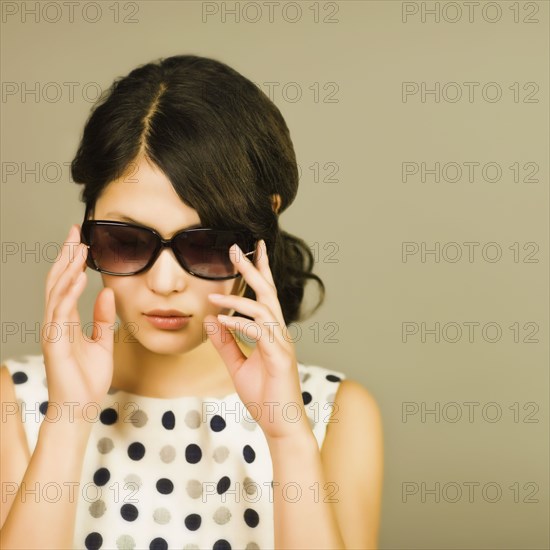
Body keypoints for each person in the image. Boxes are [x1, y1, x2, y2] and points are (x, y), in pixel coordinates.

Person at [0, 54, 383, 550]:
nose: (165, 282)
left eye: (204, 245)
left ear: (261, 228)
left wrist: (288, 440)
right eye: (127, 240)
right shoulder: (18, 402)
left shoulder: (337, 415)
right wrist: (68, 419)